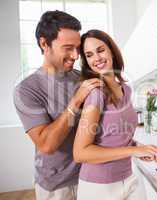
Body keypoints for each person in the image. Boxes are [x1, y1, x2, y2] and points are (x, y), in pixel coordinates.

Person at [13, 11, 102, 200]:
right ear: (44, 44)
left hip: (92, 176)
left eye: (78, 48)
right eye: (68, 48)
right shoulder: (27, 89)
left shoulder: (82, 78)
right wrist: (76, 100)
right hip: (57, 186)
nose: (76, 55)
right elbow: (47, 145)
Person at [73, 29, 157, 200]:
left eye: (100, 50)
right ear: (86, 62)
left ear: (111, 50)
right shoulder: (96, 93)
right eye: (89, 55)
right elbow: (80, 153)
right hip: (99, 187)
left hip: (128, 178)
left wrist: (142, 149)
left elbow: (117, 137)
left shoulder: (126, 89)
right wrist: (134, 150)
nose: (97, 58)